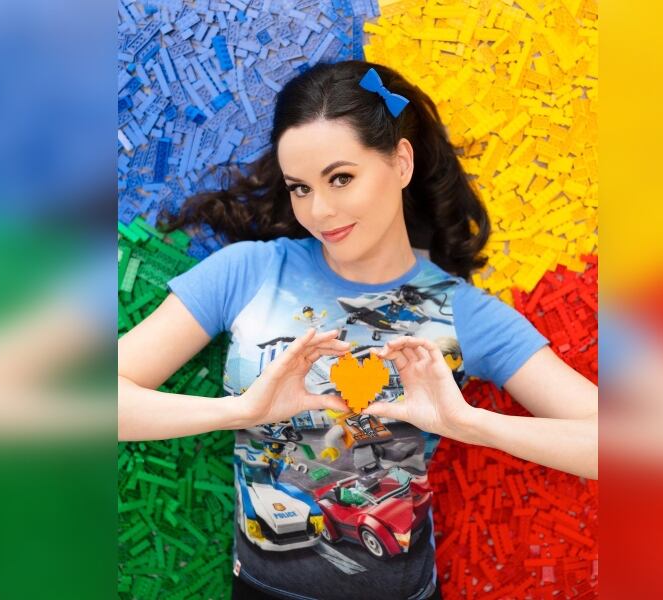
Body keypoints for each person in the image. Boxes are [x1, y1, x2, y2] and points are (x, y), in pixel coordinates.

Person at [118, 60, 598, 600]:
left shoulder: (461, 310)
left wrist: (470, 423)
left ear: (400, 162)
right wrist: (241, 412)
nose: (320, 211)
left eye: (340, 178)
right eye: (300, 188)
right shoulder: (249, 272)